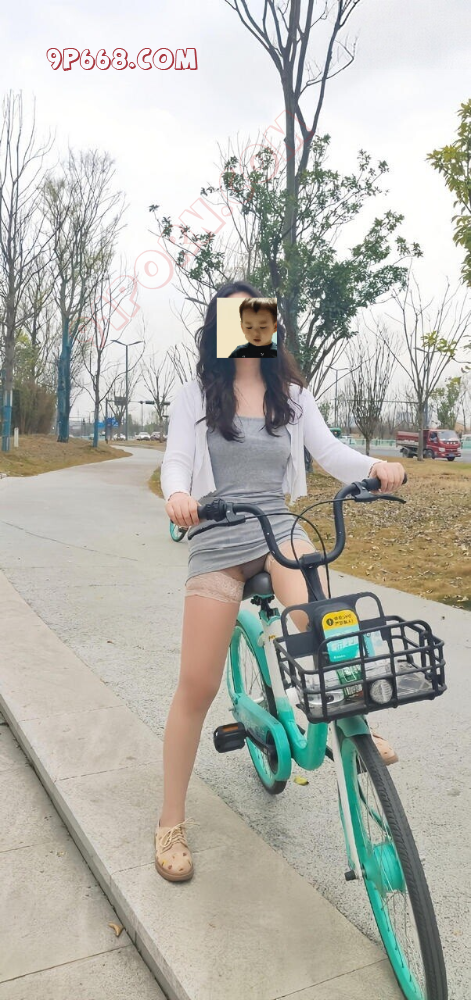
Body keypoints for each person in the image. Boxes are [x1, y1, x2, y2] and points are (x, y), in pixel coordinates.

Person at [157, 280, 405, 883]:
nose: (250, 327)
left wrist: (376, 466)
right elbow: (177, 460)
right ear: (220, 328)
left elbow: (330, 452)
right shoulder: (196, 393)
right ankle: (170, 822)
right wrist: (179, 495)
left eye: (258, 317)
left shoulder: (291, 395)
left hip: (276, 527)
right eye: (236, 318)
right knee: (197, 685)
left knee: (320, 625)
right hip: (217, 534)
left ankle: (354, 717)